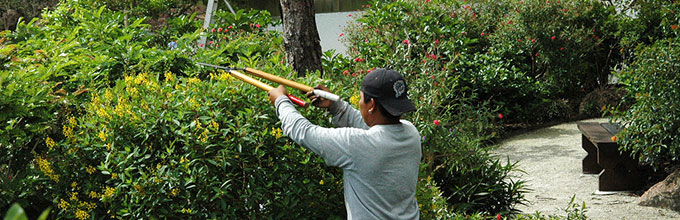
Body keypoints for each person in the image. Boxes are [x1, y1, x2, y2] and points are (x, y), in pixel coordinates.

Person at [267, 68, 421, 219]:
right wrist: (335, 106)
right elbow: (373, 127)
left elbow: (304, 132)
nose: (360, 103)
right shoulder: (411, 133)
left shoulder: (357, 145)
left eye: (361, 98)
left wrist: (280, 101)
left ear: (371, 104)